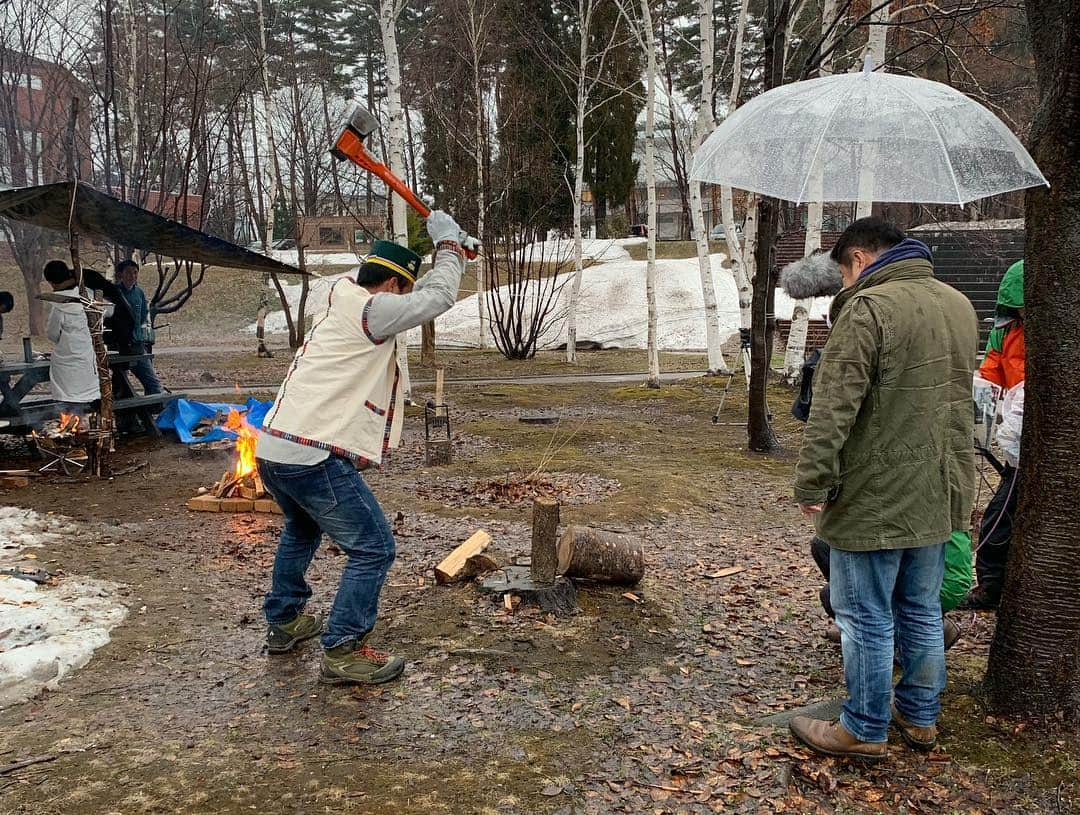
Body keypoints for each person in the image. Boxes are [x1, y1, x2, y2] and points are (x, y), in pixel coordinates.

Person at [789, 218, 977, 761]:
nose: (843, 284)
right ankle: (920, 717)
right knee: (919, 608)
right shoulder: (958, 304)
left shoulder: (868, 309)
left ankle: (864, 727)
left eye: (844, 272)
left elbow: (831, 410)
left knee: (865, 613)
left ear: (860, 260)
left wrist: (812, 481)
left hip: (875, 494)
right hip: (939, 491)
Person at [256, 212, 469, 686]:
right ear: (391, 283)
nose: (401, 303)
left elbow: (404, 285)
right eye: (400, 288)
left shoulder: (342, 295)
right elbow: (437, 297)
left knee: (302, 530)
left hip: (273, 449)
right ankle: (342, 649)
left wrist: (447, 251)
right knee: (374, 547)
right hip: (310, 455)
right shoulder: (373, 310)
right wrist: (450, 247)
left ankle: (285, 621)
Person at [960, 260, 1025, 610]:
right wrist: (980, 410)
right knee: (998, 519)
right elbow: (990, 377)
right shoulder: (1005, 330)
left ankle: (993, 587)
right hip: (1015, 442)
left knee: (1003, 517)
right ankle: (991, 587)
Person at [811, 533, 968, 648]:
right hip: (947, 579)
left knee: (834, 592)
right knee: (823, 544)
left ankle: (886, 633)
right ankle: (864, 624)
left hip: (932, 583)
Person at [42, 261, 101, 413]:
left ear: (51, 282)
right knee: (82, 402)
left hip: (66, 361)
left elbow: (52, 334)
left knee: (66, 402)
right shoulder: (88, 296)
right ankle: (79, 428)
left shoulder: (58, 304)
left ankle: (69, 430)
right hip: (88, 357)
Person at [115, 260, 163, 395]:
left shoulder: (139, 293)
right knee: (119, 382)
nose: (132, 276)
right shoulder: (114, 292)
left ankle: (153, 407)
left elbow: (142, 316)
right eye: (128, 272)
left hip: (137, 344)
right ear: (120, 274)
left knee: (153, 383)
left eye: (135, 272)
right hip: (118, 346)